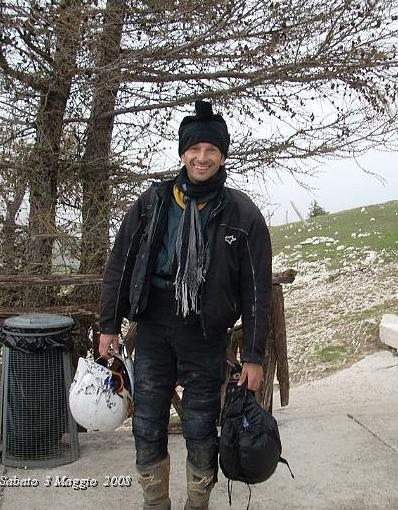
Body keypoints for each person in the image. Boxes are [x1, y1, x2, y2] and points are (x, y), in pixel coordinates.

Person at [98, 100, 272, 509]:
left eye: (211, 150)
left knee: (199, 428)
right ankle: (155, 503)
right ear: (182, 153)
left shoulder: (240, 213)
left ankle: (197, 504)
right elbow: (120, 266)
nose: (202, 157)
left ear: (223, 155)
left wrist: (254, 355)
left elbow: (257, 290)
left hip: (207, 335)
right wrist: (109, 325)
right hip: (153, 331)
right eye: (195, 149)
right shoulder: (152, 204)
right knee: (146, 425)